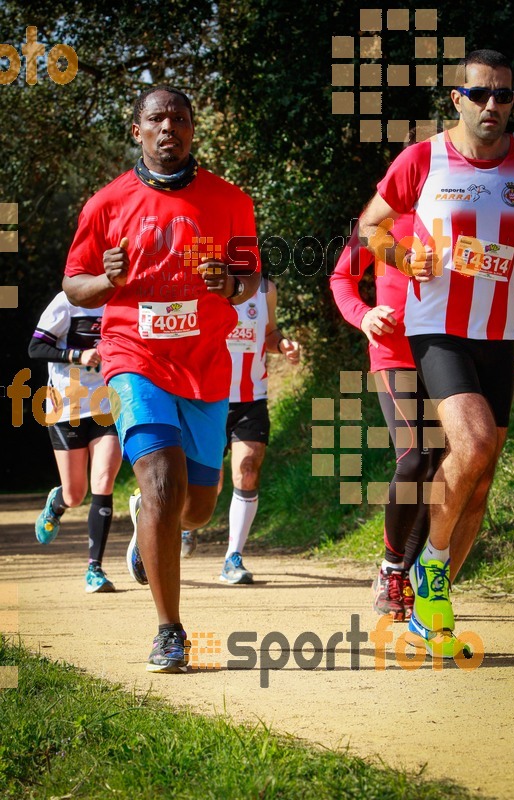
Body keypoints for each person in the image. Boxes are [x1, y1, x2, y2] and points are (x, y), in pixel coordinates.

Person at [62, 85, 261, 673]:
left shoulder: (230, 201)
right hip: (133, 356)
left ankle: (151, 529)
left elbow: (249, 279)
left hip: (204, 364)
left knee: (196, 509)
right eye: (156, 118)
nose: (168, 126)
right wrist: (107, 281)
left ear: (192, 130)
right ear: (137, 131)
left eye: (179, 117)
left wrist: (229, 284)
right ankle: (169, 631)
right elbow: (75, 285)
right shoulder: (106, 203)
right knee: (163, 485)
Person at [358, 49, 514, 657]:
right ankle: (425, 574)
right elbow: (368, 228)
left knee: (479, 484)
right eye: (481, 93)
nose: (493, 105)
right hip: (435, 329)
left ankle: (431, 611)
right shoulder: (422, 158)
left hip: (500, 333)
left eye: (504, 95)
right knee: (475, 442)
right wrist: (402, 257)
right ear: (457, 98)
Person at [331, 221, 443, 622]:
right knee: (414, 457)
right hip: (395, 353)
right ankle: (391, 569)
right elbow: (342, 276)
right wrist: (363, 316)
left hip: (450, 353)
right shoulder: (381, 219)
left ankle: (410, 574)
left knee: (440, 468)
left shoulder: (462, 205)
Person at [180, 277, 301, 584]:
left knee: (247, 470)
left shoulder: (265, 290)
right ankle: (182, 525)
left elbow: (269, 333)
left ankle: (233, 557)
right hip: (206, 399)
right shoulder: (202, 283)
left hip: (251, 398)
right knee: (207, 483)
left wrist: (283, 344)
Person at [29, 291, 122, 593]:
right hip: (66, 407)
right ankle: (57, 504)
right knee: (75, 495)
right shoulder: (66, 302)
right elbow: (36, 347)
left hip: (107, 404)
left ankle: (94, 568)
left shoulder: (121, 300)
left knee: (104, 481)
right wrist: (76, 355)